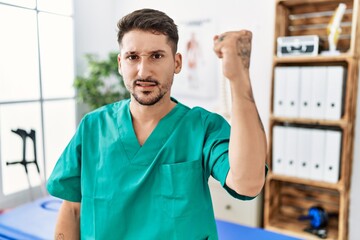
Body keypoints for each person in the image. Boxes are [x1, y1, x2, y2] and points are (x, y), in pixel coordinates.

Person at [47, 8, 267, 240]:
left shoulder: (202, 127)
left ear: (177, 62)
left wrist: (238, 76)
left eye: (156, 56)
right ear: (120, 63)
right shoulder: (93, 127)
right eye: (133, 57)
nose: (143, 71)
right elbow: (72, 208)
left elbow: (247, 183)